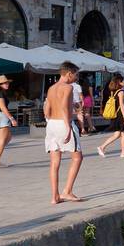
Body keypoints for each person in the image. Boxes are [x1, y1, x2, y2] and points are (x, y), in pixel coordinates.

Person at [44, 61, 84, 204]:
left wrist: (51, 121)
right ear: (69, 74)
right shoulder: (68, 88)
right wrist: (68, 127)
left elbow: (46, 110)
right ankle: (67, 191)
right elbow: (63, 108)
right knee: (77, 158)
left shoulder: (51, 88)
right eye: (76, 75)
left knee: (55, 162)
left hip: (51, 125)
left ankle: (54, 196)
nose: (76, 78)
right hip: (63, 124)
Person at [97, 74, 124, 157]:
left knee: (117, 134)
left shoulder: (114, 92)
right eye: (123, 81)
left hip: (116, 115)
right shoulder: (121, 92)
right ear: (119, 82)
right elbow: (122, 105)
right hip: (121, 115)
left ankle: (102, 147)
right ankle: (123, 152)